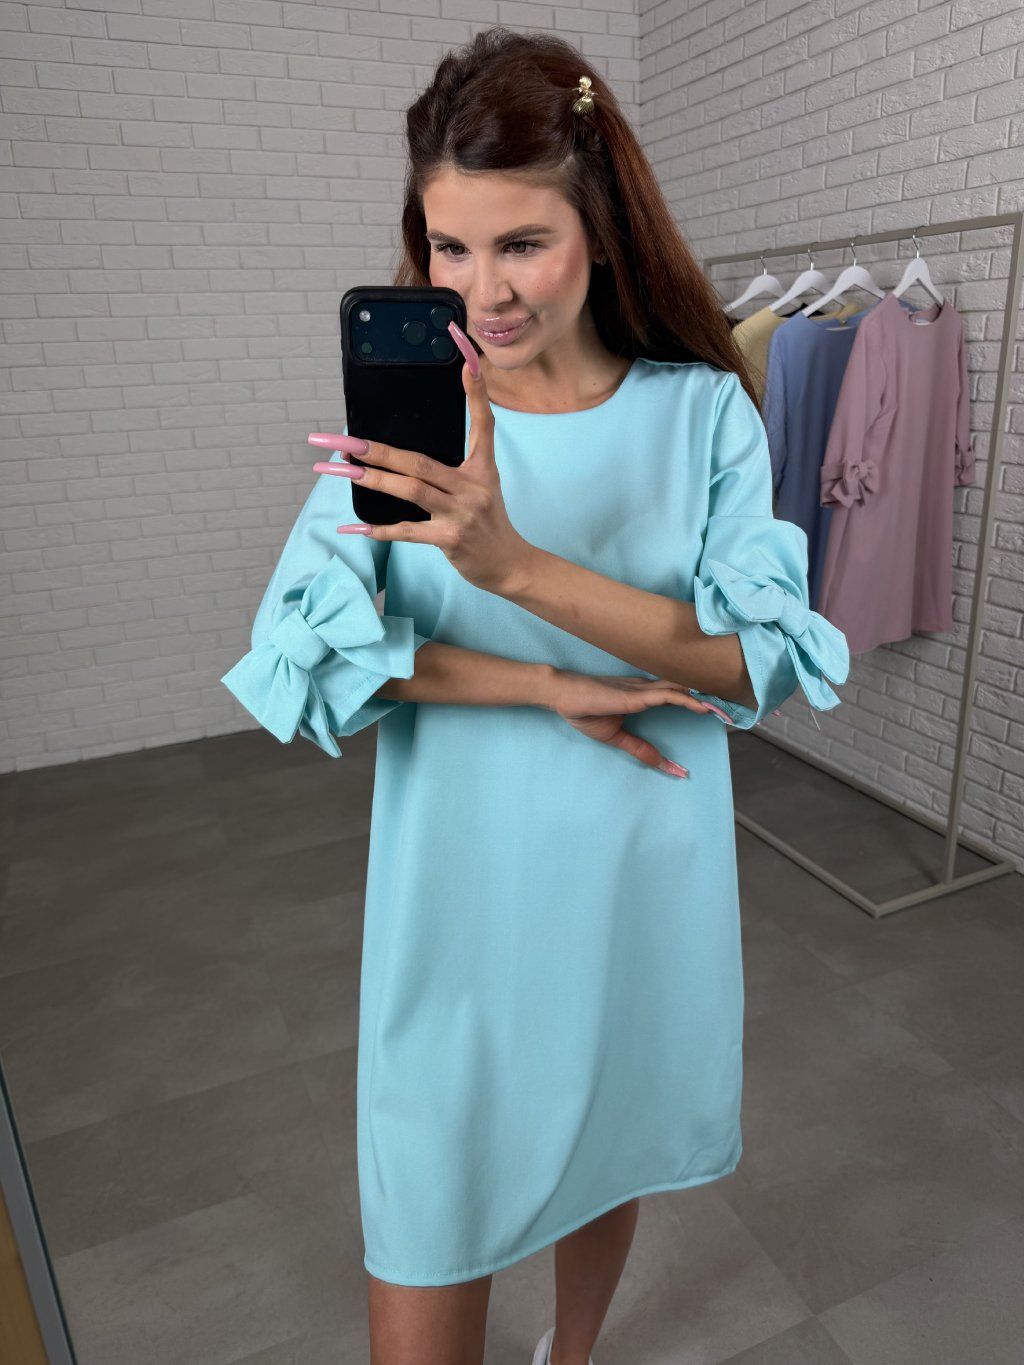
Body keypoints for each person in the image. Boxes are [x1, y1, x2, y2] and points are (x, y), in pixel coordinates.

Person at [220, 26, 850, 1365]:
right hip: (456, 882)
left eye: (521, 243)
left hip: (636, 862)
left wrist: (513, 566)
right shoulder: (408, 425)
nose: (481, 290)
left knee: (606, 1135)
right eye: (449, 246)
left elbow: (754, 660)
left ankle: (572, 1352)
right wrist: (545, 683)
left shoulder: (702, 415)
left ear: (600, 233)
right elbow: (316, 662)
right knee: (427, 1192)